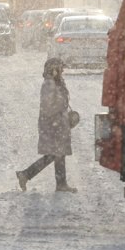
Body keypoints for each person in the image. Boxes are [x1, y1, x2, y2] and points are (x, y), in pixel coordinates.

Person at [16, 57, 77, 193]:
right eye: (60, 68)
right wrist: (62, 110)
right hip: (52, 125)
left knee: (57, 154)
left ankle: (59, 183)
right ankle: (27, 174)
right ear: (54, 69)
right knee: (55, 154)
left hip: (58, 124)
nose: (63, 70)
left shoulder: (57, 82)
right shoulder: (49, 84)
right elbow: (48, 107)